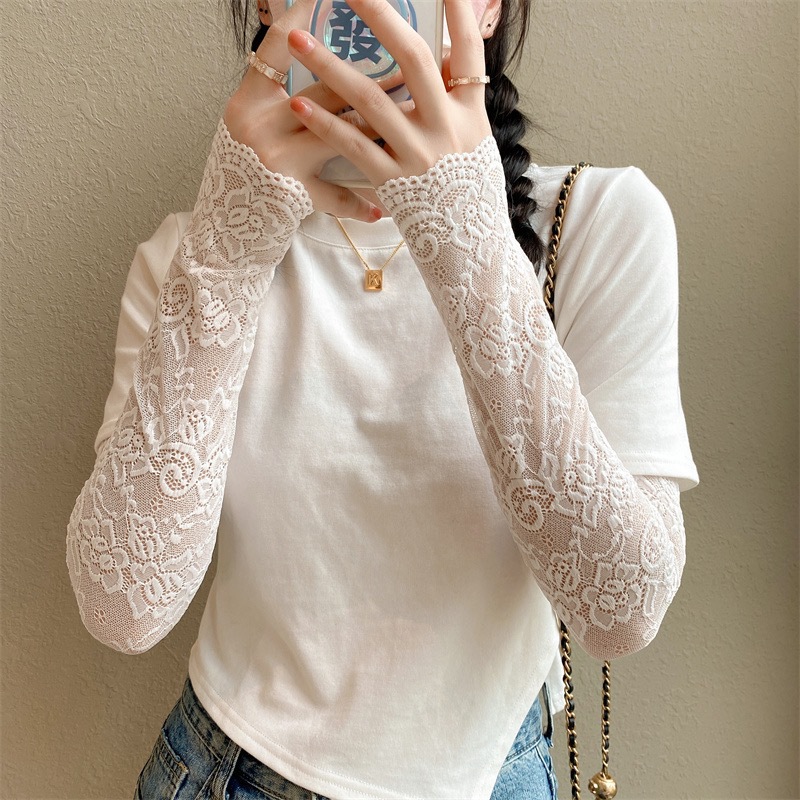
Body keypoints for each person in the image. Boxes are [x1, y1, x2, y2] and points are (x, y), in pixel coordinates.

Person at [65, 0, 699, 797]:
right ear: (266, 6)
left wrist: (466, 238)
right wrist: (226, 249)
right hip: (228, 770)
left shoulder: (600, 222)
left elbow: (621, 610)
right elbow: (123, 607)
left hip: (497, 772)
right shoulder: (194, 254)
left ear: (488, 8)